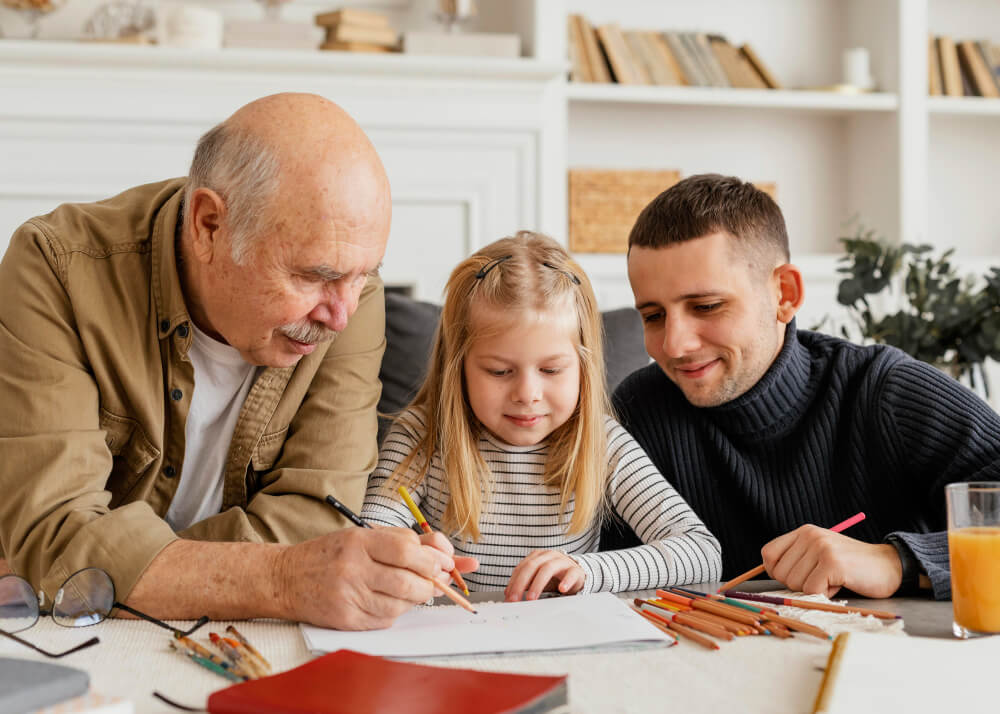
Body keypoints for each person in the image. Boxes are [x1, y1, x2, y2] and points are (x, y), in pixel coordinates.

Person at [0, 93, 474, 631]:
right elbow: (57, 536)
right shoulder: (54, 269)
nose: (340, 317)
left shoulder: (353, 298)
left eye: (362, 273)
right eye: (313, 275)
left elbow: (318, 515)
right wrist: (285, 578)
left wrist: (107, 561)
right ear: (208, 225)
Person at [607, 173, 1000, 600]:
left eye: (706, 306)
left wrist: (897, 561)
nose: (674, 344)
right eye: (653, 316)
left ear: (785, 294)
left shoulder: (885, 390)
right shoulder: (633, 412)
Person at [361, 231, 721, 601]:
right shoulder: (421, 435)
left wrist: (587, 570)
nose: (527, 395)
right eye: (500, 372)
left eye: (551, 370)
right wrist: (404, 553)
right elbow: (370, 537)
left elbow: (702, 553)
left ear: (583, 367)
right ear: (458, 368)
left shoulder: (601, 442)